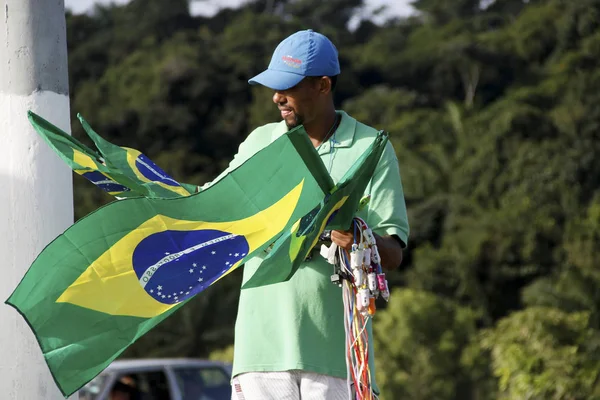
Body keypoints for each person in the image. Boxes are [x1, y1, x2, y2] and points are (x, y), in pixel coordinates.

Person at [210, 29, 410, 400]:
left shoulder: (371, 148)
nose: (276, 97)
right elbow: (211, 209)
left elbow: (394, 254)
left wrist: (357, 233)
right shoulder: (260, 142)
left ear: (322, 86)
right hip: (260, 354)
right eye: (274, 86)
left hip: (339, 358)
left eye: (288, 86)